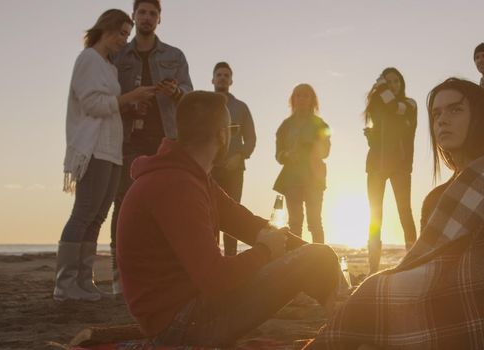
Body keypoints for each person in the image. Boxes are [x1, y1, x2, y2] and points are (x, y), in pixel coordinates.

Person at [304, 78, 484, 349]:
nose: (442, 120)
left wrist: (370, 292)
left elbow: (423, 272)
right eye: (436, 113)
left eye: (455, 110)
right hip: (462, 309)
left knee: (371, 296)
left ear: (481, 118)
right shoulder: (445, 194)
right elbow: (434, 269)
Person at [116, 91, 341, 347]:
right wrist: (266, 251)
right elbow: (215, 279)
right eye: (232, 130)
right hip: (181, 324)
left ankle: (342, 314)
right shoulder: (178, 186)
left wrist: (322, 266)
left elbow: (250, 225)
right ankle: (345, 323)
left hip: (186, 311)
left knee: (319, 256)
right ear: (223, 135)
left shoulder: (193, 179)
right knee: (318, 256)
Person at [53, 9, 156, 302]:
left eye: (127, 34)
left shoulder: (109, 67)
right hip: (92, 147)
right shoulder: (88, 59)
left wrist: (131, 106)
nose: (125, 40)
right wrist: (130, 98)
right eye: (122, 33)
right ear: (106, 29)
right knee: (84, 212)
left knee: (98, 216)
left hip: (112, 149)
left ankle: (84, 282)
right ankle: (65, 283)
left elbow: (109, 105)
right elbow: (93, 105)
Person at [110, 0, 194, 294]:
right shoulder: (118, 54)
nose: (147, 17)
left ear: (160, 19)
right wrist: (130, 103)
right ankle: (120, 276)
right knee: (123, 206)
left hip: (166, 143)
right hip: (127, 141)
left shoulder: (174, 55)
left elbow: (190, 96)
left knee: (171, 207)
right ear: (133, 17)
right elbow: (109, 96)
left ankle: (167, 275)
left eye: (153, 13)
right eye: (142, 12)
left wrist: (176, 92)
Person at [363, 67, 417, 274]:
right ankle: (373, 268)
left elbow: (395, 108)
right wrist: (371, 136)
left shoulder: (408, 105)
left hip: (400, 166)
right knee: (375, 215)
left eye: (396, 81)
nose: (393, 85)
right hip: (376, 165)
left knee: (405, 212)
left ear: (401, 84)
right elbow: (381, 136)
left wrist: (381, 84)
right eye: (388, 82)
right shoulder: (377, 105)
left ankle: (413, 261)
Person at [273, 84, 331, 243]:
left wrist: (312, 146)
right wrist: (287, 155)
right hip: (291, 179)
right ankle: (296, 259)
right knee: (294, 223)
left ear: (312, 100)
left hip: (314, 178)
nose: (302, 99)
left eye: (306, 95)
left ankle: (320, 260)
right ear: (293, 99)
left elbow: (326, 151)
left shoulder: (320, 124)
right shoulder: (285, 126)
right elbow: (278, 155)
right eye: (298, 95)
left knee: (315, 222)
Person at [211, 61, 257, 257]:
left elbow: (251, 138)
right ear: (213, 79)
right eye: (219, 75)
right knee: (209, 213)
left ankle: (230, 257)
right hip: (210, 168)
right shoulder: (205, 104)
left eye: (226, 75)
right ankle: (210, 257)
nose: (222, 78)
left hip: (234, 170)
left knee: (232, 215)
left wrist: (241, 156)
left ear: (231, 81)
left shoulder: (241, 107)